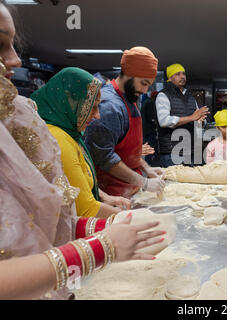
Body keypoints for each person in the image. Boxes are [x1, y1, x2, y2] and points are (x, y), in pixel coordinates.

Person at [0, 1, 165, 300]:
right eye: (0, 45)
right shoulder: (58, 137)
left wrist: (106, 220)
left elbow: (47, 221)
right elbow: (103, 159)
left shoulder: (54, 134)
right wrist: (104, 244)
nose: (14, 61)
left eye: (12, 45)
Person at [31, 67, 131, 218]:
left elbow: (77, 184)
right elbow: (86, 210)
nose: (98, 115)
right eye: (92, 107)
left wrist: (105, 197)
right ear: (69, 103)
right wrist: (134, 218)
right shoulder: (58, 138)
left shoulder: (70, 132)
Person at [83, 47, 165, 199]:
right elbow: (105, 158)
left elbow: (126, 151)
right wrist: (144, 183)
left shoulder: (130, 98)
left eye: (149, 85)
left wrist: (147, 168)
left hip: (129, 188)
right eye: (143, 83)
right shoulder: (109, 106)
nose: (145, 90)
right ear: (128, 74)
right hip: (111, 194)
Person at [155, 63, 209, 167]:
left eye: (184, 74)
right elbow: (164, 121)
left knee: (191, 182)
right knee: (173, 183)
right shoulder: (163, 95)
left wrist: (201, 121)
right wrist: (192, 117)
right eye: (177, 74)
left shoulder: (190, 97)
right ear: (170, 78)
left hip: (192, 151)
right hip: (172, 153)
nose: (182, 76)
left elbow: (197, 118)